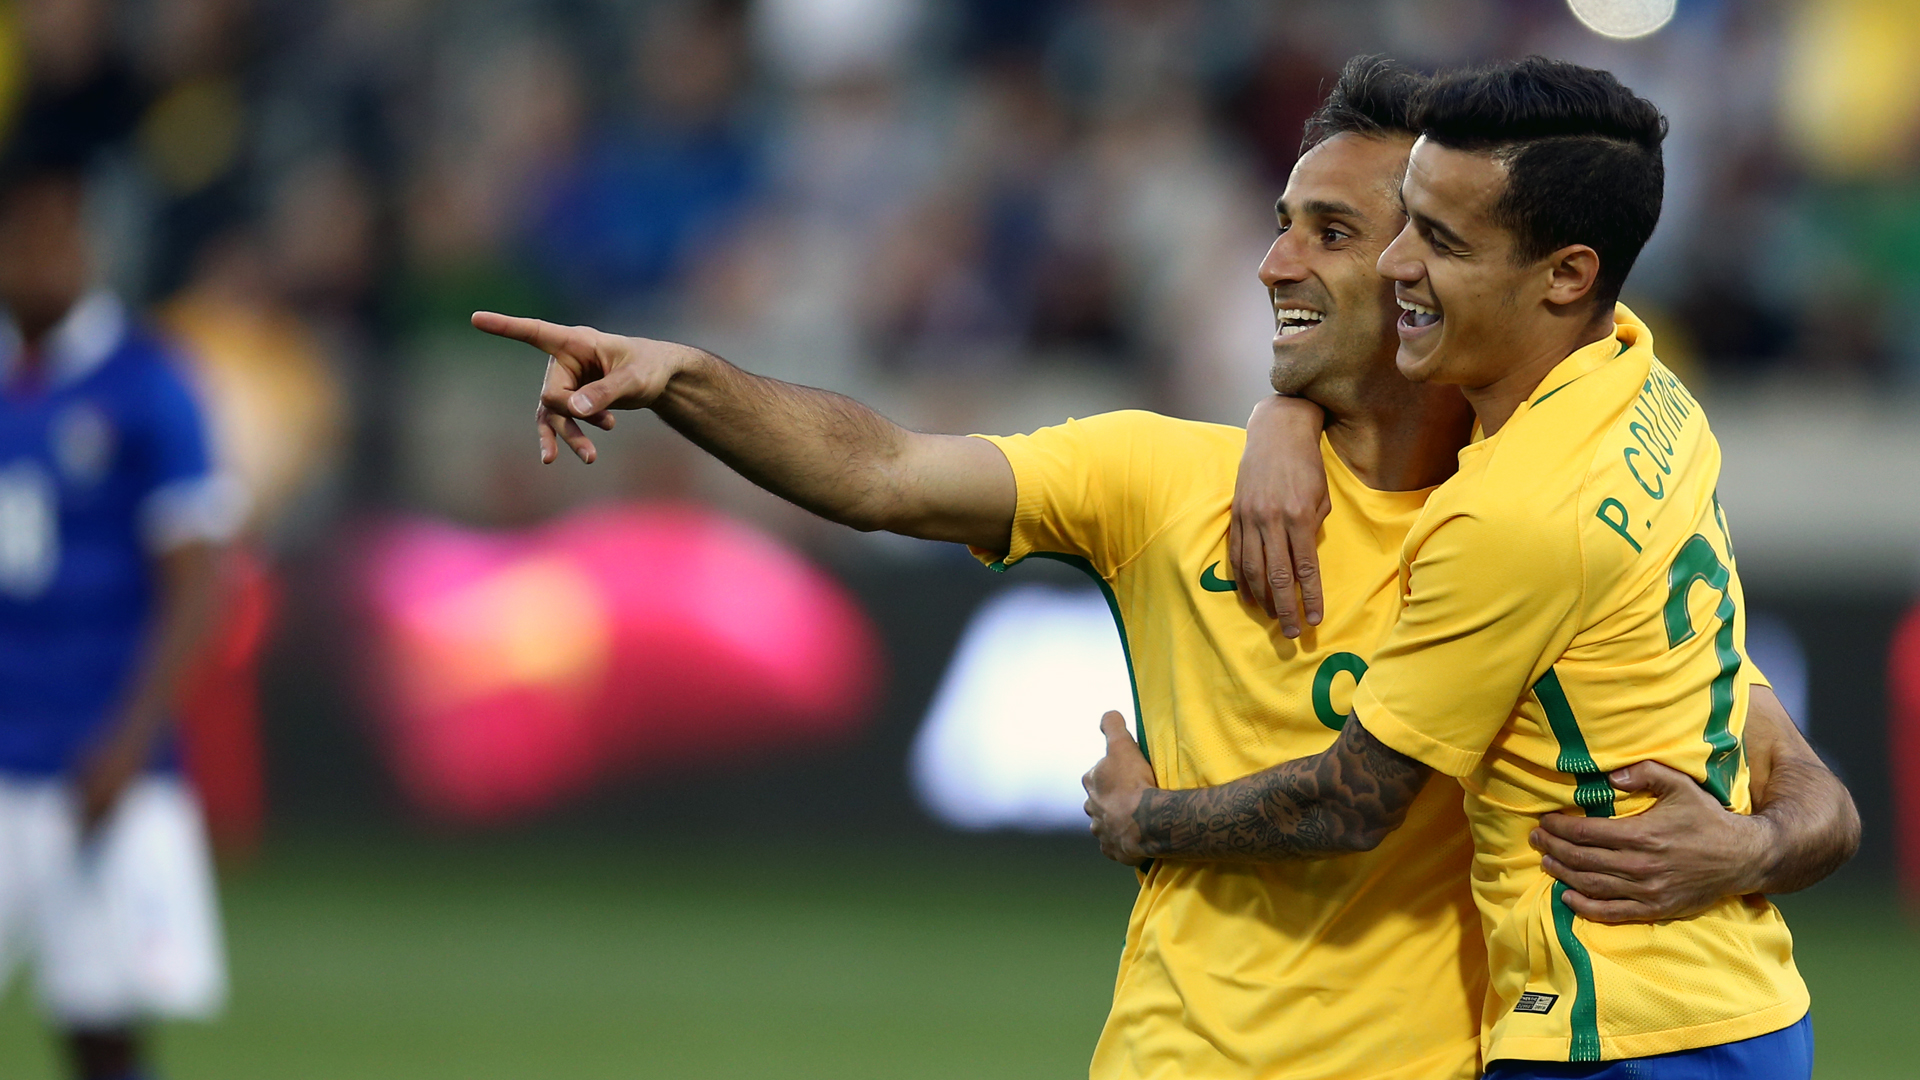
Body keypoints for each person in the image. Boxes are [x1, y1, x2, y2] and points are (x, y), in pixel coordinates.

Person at [479, 57, 1853, 1080]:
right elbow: (882, 470)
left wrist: (1753, 839)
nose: (1268, 264)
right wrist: (686, 378)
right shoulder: (1163, 476)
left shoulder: (1520, 518)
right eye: (1284, 219)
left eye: (1342, 231)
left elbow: (1753, 755)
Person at [1081, 58, 1859, 1079]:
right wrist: (1290, 410)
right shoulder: (1641, 382)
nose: (1397, 265)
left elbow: (1352, 798)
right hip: (1744, 1003)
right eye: (1403, 225)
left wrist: (1148, 819)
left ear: (1567, 274)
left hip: (1604, 1026)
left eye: (1441, 241)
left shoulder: (1513, 515)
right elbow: (1810, 787)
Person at [0, 152, 235, 1080]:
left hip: (95, 755)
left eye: (58, 233)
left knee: (101, 1022)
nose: (38, 257)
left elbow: (198, 579)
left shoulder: (147, 381)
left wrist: (132, 739)